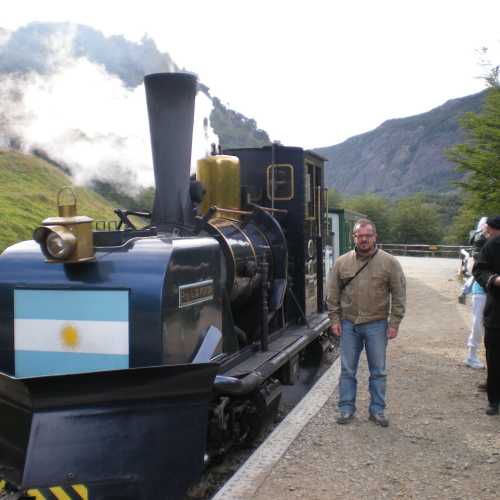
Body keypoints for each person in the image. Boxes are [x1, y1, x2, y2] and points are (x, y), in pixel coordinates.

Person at [327, 218, 406, 427]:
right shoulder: (341, 262)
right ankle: (346, 409)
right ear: (354, 237)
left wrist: (394, 322)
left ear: (375, 237)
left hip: (377, 324)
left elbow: (399, 293)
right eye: (359, 236)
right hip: (348, 324)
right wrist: (334, 319)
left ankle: (377, 411)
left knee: (378, 371)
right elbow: (332, 293)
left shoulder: (389, 263)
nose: (363, 239)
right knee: (347, 370)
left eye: (367, 236)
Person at [472, 215, 500, 415]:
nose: (487, 233)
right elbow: (479, 270)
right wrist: (494, 279)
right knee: (494, 356)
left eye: (489, 229)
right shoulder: (491, 246)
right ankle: (494, 400)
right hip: (496, 312)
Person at [465, 217, 488, 369]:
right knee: (478, 323)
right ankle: (471, 356)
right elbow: (474, 267)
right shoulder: (480, 244)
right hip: (481, 290)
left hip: (488, 290)